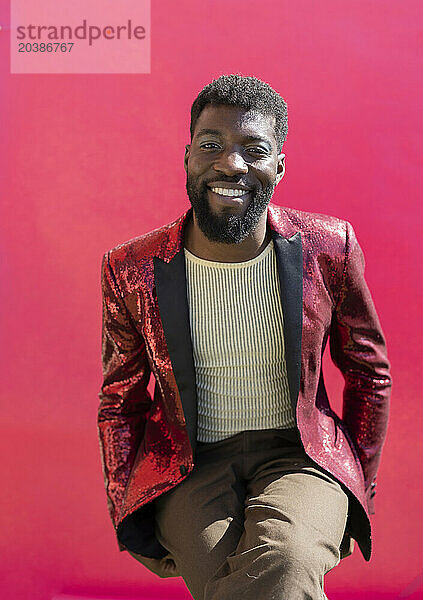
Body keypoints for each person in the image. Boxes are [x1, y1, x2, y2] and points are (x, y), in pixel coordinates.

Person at [97, 74, 392, 599]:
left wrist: (357, 488)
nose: (230, 164)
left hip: (300, 456)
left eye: (252, 149)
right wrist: (125, 503)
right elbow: (119, 400)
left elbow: (370, 373)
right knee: (258, 583)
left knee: (286, 565)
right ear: (187, 157)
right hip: (188, 463)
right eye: (211, 145)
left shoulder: (329, 247)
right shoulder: (131, 267)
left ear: (279, 165)